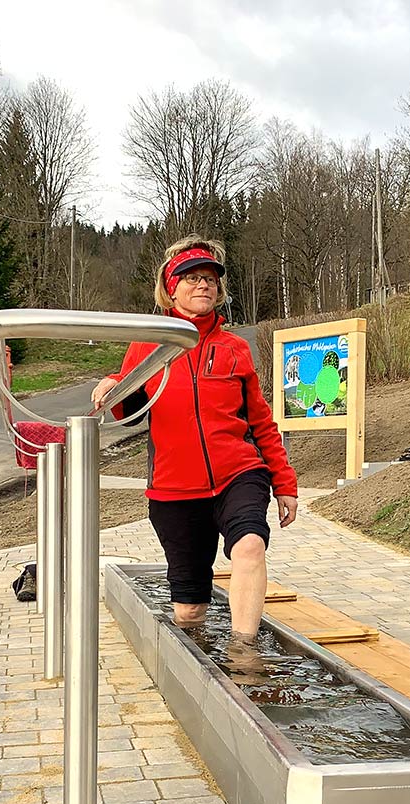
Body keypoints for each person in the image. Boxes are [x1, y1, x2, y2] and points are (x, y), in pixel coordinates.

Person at [91, 236, 297, 646]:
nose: (203, 285)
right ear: (171, 288)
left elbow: (261, 422)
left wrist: (284, 483)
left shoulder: (235, 349)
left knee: (251, 546)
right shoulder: (149, 344)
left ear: (219, 291)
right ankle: (196, 661)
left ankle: (245, 656)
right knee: (190, 610)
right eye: (191, 278)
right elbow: (125, 408)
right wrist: (113, 382)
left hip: (238, 473)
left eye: (210, 279)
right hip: (174, 488)